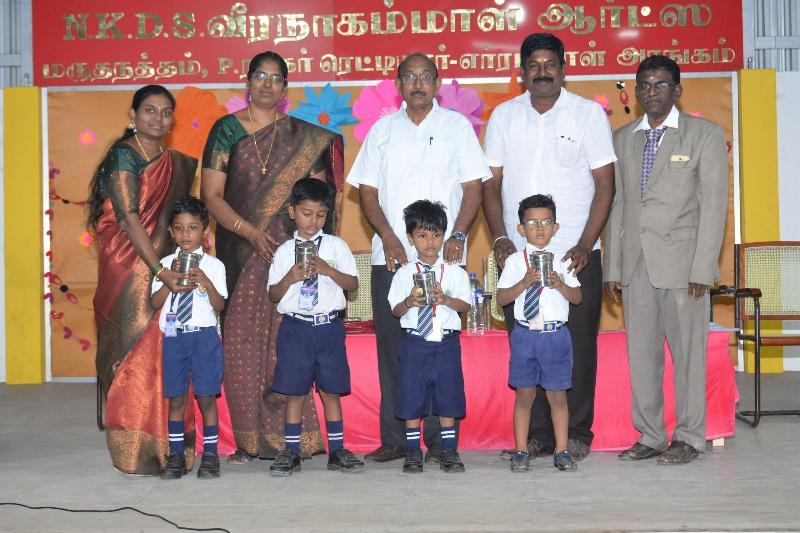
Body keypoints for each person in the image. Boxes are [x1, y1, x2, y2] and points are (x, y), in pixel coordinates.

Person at [346, 53, 490, 463]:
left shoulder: (457, 127)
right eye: (410, 77)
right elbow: (367, 191)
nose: (418, 84)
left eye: (426, 77)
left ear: (438, 82)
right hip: (390, 257)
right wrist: (389, 237)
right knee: (396, 349)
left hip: (442, 257)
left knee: (438, 349)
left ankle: (441, 441)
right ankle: (396, 439)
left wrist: (459, 234)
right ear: (398, 83)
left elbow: (474, 187)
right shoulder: (382, 130)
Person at [201, 51, 343, 461]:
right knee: (243, 344)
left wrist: (294, 240)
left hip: (294, 253)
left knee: (289, 344)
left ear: (285, 87)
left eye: (276, 78)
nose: (267, 83)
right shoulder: (226, 130)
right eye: (260, 76)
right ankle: (250, 438)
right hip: (242, 250)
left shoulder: (304, 137)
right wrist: (251, 232)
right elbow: (211, 195)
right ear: (247, 81)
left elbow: (317, 197)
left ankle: (294, 439)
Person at [483, 33, 616, 461]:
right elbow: (491, 184)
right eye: (534, 65)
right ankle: (537, 435)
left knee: (575, 343)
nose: (542, 72)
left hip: (574, 253)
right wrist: (501, 238)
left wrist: (585, 243)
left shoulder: (588, 115)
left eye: (550, 64)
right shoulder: (503, 116)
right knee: (527, 340)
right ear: (522, 71)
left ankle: (575, 432)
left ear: (563, 67)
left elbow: (605, 185)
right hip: (517, 255)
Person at [603, 55, 728, 465]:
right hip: (636, 265)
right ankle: (651, 434)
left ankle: (690, 437)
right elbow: (618, 205)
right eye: (644, 85)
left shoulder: (704, 135)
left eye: (660, 85)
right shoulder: (622, 138)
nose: (650, 93)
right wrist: (613, 268)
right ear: (635, 91)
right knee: (642, 355)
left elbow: (713, 208)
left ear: (676, 91)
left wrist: (703, 270)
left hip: (683, 268)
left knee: (689, 355)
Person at [89, 85, 198, 475]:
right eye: (149, 110)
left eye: (166, 112)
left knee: (168, 349)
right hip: (130, 267)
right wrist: (159, 271)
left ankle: (171, 445)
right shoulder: (123, 156)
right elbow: (129, 218)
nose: (158, 118)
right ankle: (134, 448)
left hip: (167, 264)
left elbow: (182, 220)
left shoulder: (178, 163)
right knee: (134, 351)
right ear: (133, 114)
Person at [266, 178, 365, 477]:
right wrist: (291, 278)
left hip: (328, 329)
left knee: (331, 391)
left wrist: (327, 269)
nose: (313, 221)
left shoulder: (336, 246)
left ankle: (337, 451)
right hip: (296, 328)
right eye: (307, 213)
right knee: (294, 392)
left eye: (321, 214)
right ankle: (291, 451)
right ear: (292, 212)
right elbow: (273, 294)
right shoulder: (284, 251)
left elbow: (353, 284)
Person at [496, 195, 582, 473]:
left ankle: (562, 449)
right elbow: (502, 298)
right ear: (521, 229)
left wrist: (561, 285)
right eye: (532, 223)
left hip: (555, 336)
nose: (540, 228)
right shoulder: (513, 262)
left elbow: (578, 298)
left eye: (546, 222)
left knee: (558, 395)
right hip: (525, 336)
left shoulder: (563, 260)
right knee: (524, 394)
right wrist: (524, 282)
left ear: (555, 227)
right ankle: (520, 450)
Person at [387, 200, 472, 473]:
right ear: (411, 238)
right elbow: (396, 310)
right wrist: (410, 302)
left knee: (449, 397)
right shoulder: (403, 274)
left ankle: (448, 450)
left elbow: (466, 306)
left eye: (436, 235)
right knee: (412, 397)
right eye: (422, 235)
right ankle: (413, 452)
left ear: (444, 235)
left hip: (446, 343)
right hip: (415, 343)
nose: (430, 242)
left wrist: (445, 298)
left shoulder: (455, 273)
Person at [151, 197, 228, 479]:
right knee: (177, 400)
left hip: (204, 339)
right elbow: (155, 302)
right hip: (174, 338)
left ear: (204, 232)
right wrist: (171, 281)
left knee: (207, 398)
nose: (186, 234)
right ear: (171, 232)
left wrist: (205, 283)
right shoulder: (162, 264)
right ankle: (176, 456)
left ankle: (209, 456)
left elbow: (219, 306)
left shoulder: (215, 266)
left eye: (193, 227)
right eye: (179, 228)